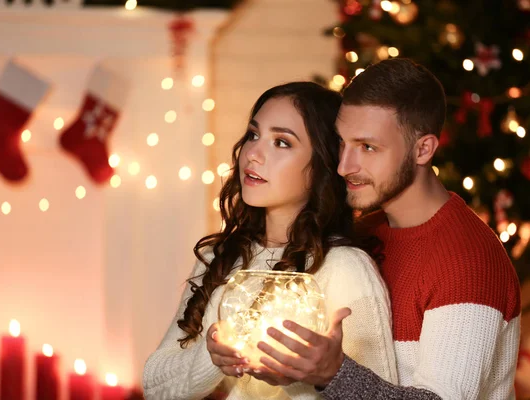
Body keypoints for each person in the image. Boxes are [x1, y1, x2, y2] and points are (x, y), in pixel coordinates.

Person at [251, 59, 522, 399]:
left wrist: (333, 374)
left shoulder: (468, 261)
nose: (343, 166)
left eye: (368, 147)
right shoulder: (365, 233)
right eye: (342, 142)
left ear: (423, 149)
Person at [141, 82, 398, 400]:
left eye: (281, 142)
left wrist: (327, 373)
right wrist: (213, 358)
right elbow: (154, 386)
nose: (254, 153)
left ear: (323, 166)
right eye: (253, 135)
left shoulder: (345, 268)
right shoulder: (218, 256)